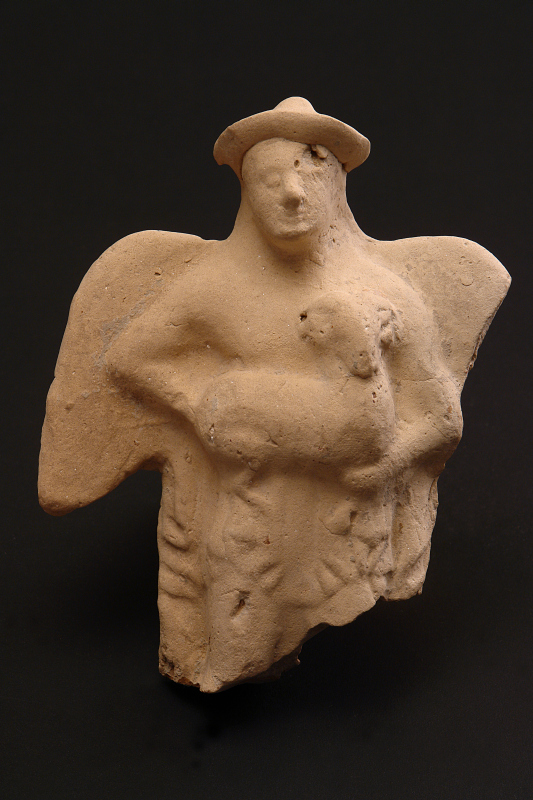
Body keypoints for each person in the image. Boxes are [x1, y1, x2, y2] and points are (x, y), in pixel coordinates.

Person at [39, 98, 510, 691]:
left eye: (311, 174)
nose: (291, 194)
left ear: (337, 186)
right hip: (245, 523)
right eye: (269, 180)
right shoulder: (214, 285)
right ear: (246, 191)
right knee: (236, 635)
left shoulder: (388, 293)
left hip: (347, 530)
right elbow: (129, 356)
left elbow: (441, 418)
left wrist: (388, 463)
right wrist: (197, 407)